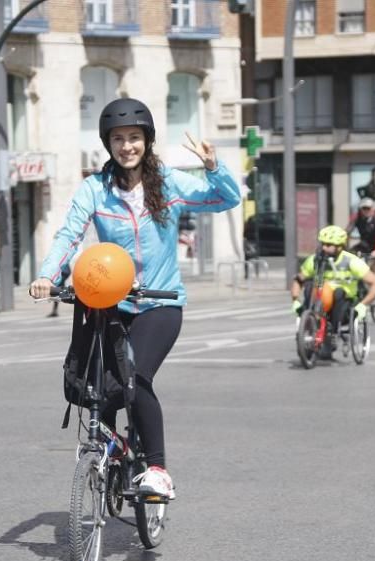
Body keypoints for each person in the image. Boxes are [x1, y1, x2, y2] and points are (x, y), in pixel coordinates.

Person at [28, 98, 240, 500]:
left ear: (148, 141)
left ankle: (158, 468)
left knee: (136, 376)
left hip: (161, 302)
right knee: (97, 385)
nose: (127, 146)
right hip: (112, 302)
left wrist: (215, 167)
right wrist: (46, 276)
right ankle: (111, 453)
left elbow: (226, 199)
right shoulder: (95, 189)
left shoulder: (170, 183)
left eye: (135, 138)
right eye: (119, 139)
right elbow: (69, 235)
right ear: (109, 144)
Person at [290, 225, 375, 357]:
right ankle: (310, 325)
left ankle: (332, 332)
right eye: (323, 244)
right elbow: (298, 280)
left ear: (339, 246)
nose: (324, 248)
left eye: (329, 245)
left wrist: (363, 304)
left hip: (344, 303)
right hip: (319, 300)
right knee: (310, 285)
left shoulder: (351, 261)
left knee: (338, 292)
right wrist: (295, 300)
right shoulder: (315, 260)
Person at [345, 197, 375, 274]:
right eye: (364, 208)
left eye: (368, 208)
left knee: (374, 271)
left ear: (373, 209)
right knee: (351, 254)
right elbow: (347, 231)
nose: (366, 211)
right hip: (365, 244)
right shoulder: (357, 216)